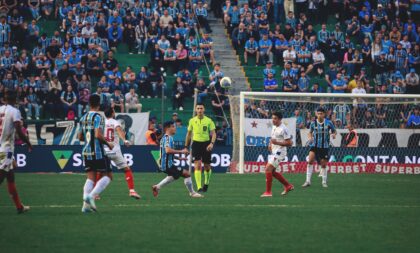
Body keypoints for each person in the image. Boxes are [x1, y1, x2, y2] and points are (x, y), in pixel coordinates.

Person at [78, 94, 114, 213]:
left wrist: (89, 138)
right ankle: (91, 196)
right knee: (108, 176)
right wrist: (108, 144)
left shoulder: (83, 118)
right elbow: (98, 135)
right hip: (97, 152)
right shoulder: (98, 117)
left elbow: (80, 137)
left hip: (86, 151)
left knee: (90, 178)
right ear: (99, 104)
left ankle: (85, 206)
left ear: (89, 104)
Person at [0, 91, 32, 214]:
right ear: (15, 100)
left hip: (3, 148)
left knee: (10, 177)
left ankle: (19, 207)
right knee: (1, 177)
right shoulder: (15, 111)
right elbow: (18, 130)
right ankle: (19, 207)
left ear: (4, 99)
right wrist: (28, 143)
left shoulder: (0, 109)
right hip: (5, 149)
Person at [152, 121, 203, 198]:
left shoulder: (166, 138)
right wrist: (181, 151)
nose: (175, 128)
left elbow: (164, 153)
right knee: (187, 174)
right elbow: (168, 150)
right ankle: (192, 193)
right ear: (167, 128)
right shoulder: (168, 138)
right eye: (173, 126)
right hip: (167, 165)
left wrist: (178, 157)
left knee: (175, 176)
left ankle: (157, 187)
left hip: (166, 164)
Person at [102, 107, 140, 199]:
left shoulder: (102, 123)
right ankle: (131, 191)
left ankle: (95, 194)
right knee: (127, 170)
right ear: (112, 113)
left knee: (101, 171)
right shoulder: (115, 122)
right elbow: (120, 131)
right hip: (115, 150)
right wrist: (125, 140)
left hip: (104, 150)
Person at [260, 111, 294, 197]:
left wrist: (276, 143)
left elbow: (290, 143)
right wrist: (270, 144)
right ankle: (288, 186)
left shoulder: (284, 129)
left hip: (280, 152)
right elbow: (273, 138)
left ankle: (268, 192)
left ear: (280, 119)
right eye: (272, 118)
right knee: (272, 171)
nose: (273, 120)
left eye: (275, 118)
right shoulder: (274, 126)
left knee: (268, 169)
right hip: (275, 151)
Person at [184, 103, 216, 193]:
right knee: (197, 165)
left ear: (204, 109)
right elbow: (189, 134)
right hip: (196, 144)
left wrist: (211, 143)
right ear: (196, 110)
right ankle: (198, 187)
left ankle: (206, 183)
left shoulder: (209, 121)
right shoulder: (192, 121)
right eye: (198, 108)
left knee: (207, 166)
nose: (200, 110)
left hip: (206, 144)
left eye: (201, 108)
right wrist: (186, 146)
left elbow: (214, 133)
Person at [302, 107, 336, 188]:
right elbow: (310, 132)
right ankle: (308, 181)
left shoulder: (329, 123)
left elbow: (334, 131)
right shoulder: (313, 123)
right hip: (314, 145)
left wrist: (334, 134)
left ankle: (324, 182)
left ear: (324, 114)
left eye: (321, 113)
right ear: (316, 114)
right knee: (310, 161)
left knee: (323, 165)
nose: (319, 115)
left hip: (324, 146)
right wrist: (310, 137)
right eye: (318, 113)